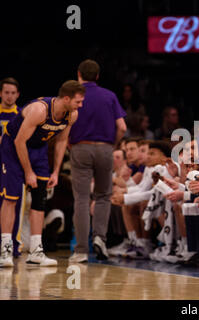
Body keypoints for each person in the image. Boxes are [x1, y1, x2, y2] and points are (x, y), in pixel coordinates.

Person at [0, 80, 85, 267]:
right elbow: (19, 142)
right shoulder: (40, 110)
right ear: (66, 98)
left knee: (40, 199)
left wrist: (56, 171)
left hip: (38, 149)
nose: (81, 105)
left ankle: (36, 251)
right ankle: (5, 249)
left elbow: (62, 141)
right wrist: (28, 171)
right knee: (11, 198)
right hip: (13, 148)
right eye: (78, 101)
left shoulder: (72, 115)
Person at [68, 59, 127, 263]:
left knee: (82, 199)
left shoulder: (74, 95)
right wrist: (112, 145)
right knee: (103, 196)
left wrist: (69, 144)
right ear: (98, 76)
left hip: (80, 147)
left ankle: (82, 250)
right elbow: (122, 127)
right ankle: (100, 239)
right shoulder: (109, 96)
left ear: (79, 74)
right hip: (104, 148)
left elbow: (65, 124)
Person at [0, 77, 24, 258]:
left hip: (14, 165)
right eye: (6, 92)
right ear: (1, 93)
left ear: (18, 95)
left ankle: (13, 245)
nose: (9, 96)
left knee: (13, 204)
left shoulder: (22, 115)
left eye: (13, 93)